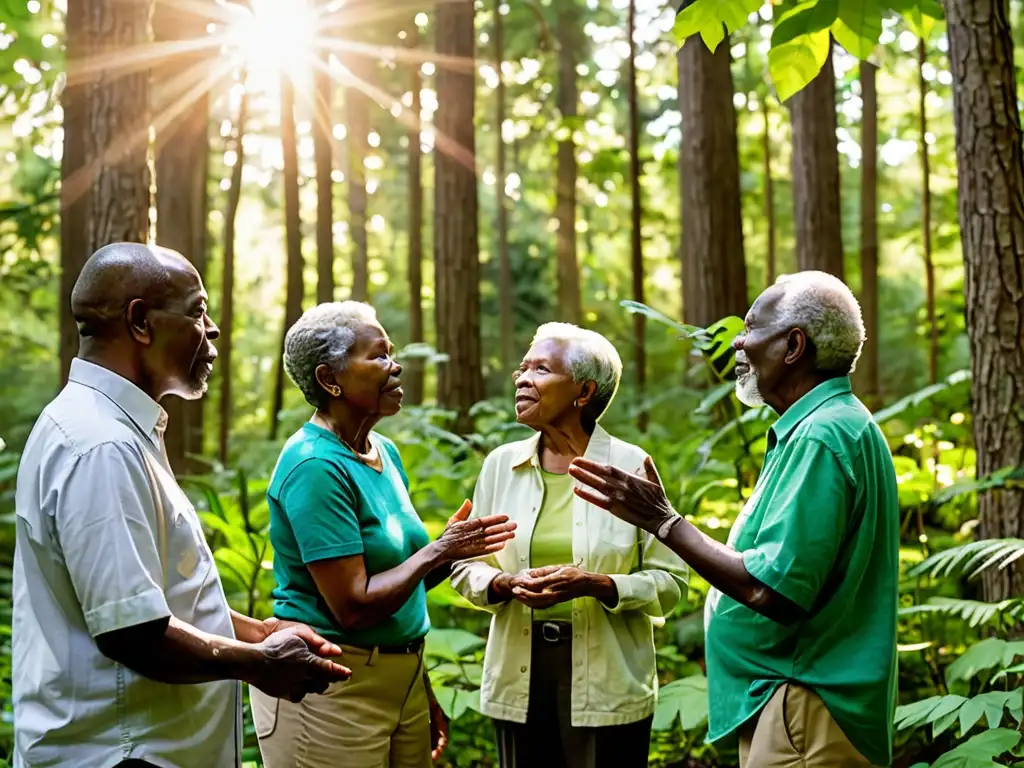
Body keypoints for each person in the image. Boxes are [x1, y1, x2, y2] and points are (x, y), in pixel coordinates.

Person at [13, 243, 350, 768]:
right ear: (141, 321)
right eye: (197, 311)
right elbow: (132, 633)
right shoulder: (100, 445)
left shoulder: (118, 431)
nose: (212, 329)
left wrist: (258, 631)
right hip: (124, 753)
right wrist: (259, 663)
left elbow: (150, 598)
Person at [569, 271, 899, 767]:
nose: (739, 343)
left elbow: (774, 591)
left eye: (750, 328)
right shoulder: (829, 426)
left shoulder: (822, 437)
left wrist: (663, 521)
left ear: (793, 345)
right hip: (798, 705)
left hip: (805, 708)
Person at [249, 301, 517, 768]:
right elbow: (353, 607)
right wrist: (438, 550)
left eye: (390, 353)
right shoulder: (315, 465)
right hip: (332, 689)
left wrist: (416, 682)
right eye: (377, 356)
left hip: (402, 681)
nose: (395, 367)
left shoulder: (384, 453)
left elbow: (402, 586)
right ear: (330, 379)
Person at [450, 323, 689, 768]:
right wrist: (503, 583)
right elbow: (465, 565)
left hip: (608, 679)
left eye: (541, 369)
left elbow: (671, 583)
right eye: (523, 368)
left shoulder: (630, 466)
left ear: (583, 392)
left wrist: (597, 584)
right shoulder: (502, 465)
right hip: (518, 673)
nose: (522, 378)